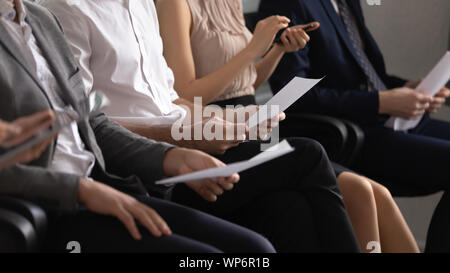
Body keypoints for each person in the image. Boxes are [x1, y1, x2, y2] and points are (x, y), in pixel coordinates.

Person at [42, 0, 361, 252]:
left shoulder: (142, 5)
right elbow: (83, 125)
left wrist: (217, 119)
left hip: (190, 137)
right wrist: (181, 135)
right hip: (145, 164)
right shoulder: (67, 11)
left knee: (288, 208)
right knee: (307, 154)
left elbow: (169, 99)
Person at [0, 0, 277, 253]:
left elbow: (90, 123)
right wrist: (79, 189)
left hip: (103, 180)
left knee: (257, 248)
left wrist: (172, 157)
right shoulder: (64, 9)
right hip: (47, 205)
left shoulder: (40, 19)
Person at [156, 0, 419, 253]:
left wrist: (278, 50)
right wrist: (252, 50)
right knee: (355, 191)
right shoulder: (175, 4)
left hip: (255, 126)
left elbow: (246, 82)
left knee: (376, 193)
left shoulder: (230, 1)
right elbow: (184, 94)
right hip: (213, 134)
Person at [258, 0, 450, 252]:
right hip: (348, 131)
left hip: (387, 118)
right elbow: (294, 97)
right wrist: (380, 102)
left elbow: (363, 75)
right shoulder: (289, 3)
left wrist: (406, 90)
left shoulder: (347, 3)